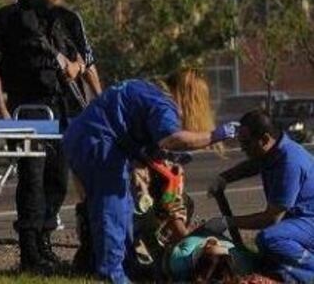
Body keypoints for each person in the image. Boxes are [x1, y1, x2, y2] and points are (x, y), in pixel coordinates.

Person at [63, 69, 237, 284]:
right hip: (98, 144)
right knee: (113, 210)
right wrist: (215, 135)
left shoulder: (147, 91)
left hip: (90, 139)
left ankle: (125, 266)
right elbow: (172, 140)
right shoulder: (163, 104)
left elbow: (144, 139)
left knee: (122, 209)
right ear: (190, 96)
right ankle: (112, 273)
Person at [0, 0, 99, 272]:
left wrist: (89, 90)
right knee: (32, 179)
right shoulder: (8, 18)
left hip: (64, 110)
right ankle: (30, 252)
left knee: (57, 179)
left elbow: (83, 63)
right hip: (28, 109)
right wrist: (1, 107)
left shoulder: (65, 19)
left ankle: (45, 243)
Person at [208, 109, 314, 283]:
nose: (242, 148)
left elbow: (271, 219)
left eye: (246, 143)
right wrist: (224, 177)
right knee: (267, 257)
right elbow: (254, 165)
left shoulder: (290, 163)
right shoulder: (273, 152)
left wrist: (228, 222)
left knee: (271, 238)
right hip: (300, 219)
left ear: (264, 139)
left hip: (309, 221)